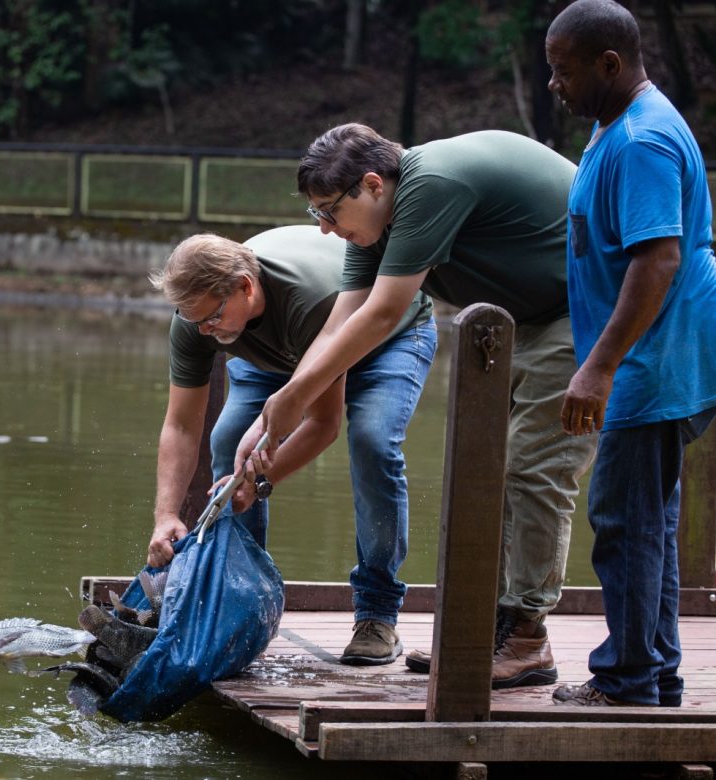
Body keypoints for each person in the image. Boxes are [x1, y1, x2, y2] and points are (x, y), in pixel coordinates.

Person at [244, 125, 598, 689]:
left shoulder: (429, 185)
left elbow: (385, 314)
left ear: (372, 183)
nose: (325, 229)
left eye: (331, 212)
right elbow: (343, 320)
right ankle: (488, 634)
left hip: (584, 307)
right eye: (317, 216)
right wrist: (279, 409)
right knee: (493, 475)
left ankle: (527, 638)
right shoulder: (375, 228)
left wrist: (295, 398)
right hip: (525, 320)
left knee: (534, 470)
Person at [147, 225, 436, 665]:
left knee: (372, 442)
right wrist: (165, 514)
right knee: (227, 438)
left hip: (383, 336)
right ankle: (242, 607)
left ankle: (377, 613)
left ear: (245, 287)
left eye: (211, 317)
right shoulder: (197, 321)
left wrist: (259, 479)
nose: (203, 331)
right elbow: (182, 426)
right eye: (194, 320)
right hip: (278, 351)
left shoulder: (309, 301)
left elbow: (323, 424)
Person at [545, 0, 716, 707]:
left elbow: (659, 259)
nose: (555, 83)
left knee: (623, 520)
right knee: (648, 520)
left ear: (608, 64)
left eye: (563, 70)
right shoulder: (614, 125)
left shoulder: (643, 140)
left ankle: (628, 678)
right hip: (651, 358)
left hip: (655, 360)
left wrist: (600, 365)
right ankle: (655, 671)